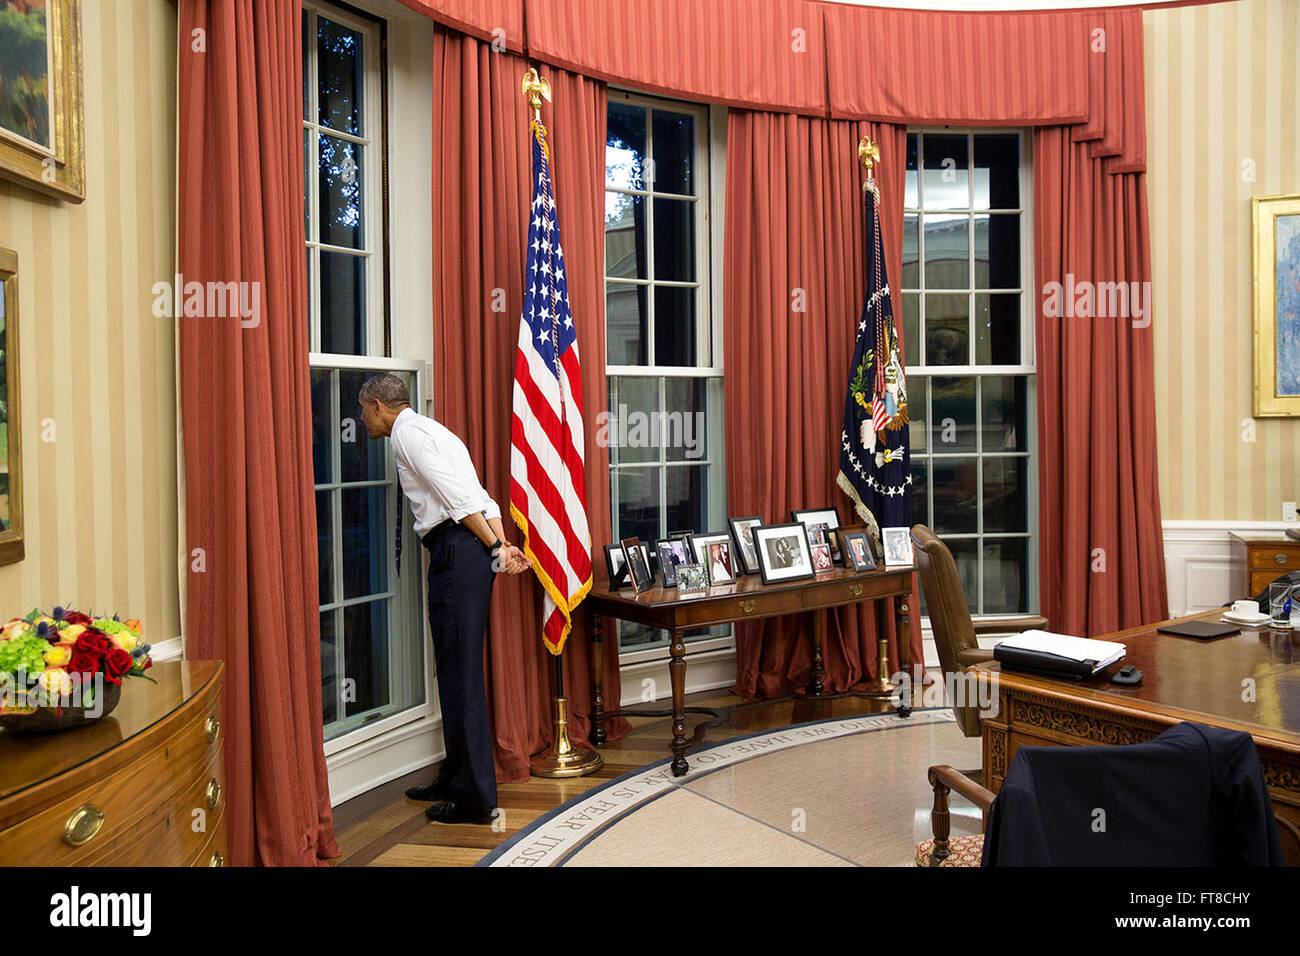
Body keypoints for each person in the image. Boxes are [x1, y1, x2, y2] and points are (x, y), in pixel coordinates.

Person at [359, 373, 530, 825]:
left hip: (459, 552)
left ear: (377, 406)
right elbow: (479, 495)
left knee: (460, 675)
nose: (363, 420)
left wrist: (496, 547)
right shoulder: (435, 430)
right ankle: (456, 773)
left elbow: (457, 498)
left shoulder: (407, 436)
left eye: (363, 411)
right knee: (455, 669)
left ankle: (473, 799)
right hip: (471, 549)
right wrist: (501, 544)